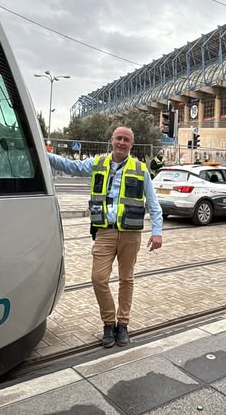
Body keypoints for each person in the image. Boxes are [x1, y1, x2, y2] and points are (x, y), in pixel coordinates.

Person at [46, 126, 164, 347]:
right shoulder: (97, 163)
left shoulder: (140, 169)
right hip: (105, 232)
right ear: (112, 140)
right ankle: (109, 323)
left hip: (130, 234)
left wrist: (157, 232)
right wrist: (42, 153)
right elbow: (70, 166)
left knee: (126, 279)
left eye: (126, 140)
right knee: (98, 279)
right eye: (118, 138)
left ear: (132, 144)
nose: (121, 142)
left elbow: (154, 204)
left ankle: (123, 325)